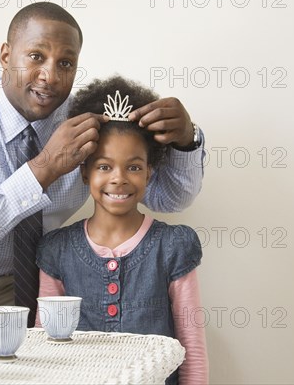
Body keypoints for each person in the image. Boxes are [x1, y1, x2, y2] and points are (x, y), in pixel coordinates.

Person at [0, 2, 205, 329]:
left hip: (33, 279)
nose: (50, 76)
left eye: (65, 63)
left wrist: (186, 138)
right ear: (6, 56)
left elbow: (170, 199)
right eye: (36, 56)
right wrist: (44, 168)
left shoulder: (86, 122)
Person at [35, 76, 208, 384]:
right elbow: (45, 346)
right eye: (104, 166)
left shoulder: (173, 246)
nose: (119, 178)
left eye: (133, 167)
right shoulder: (56, 250)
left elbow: (191, 347)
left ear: (149, 172)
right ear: (84, 172)